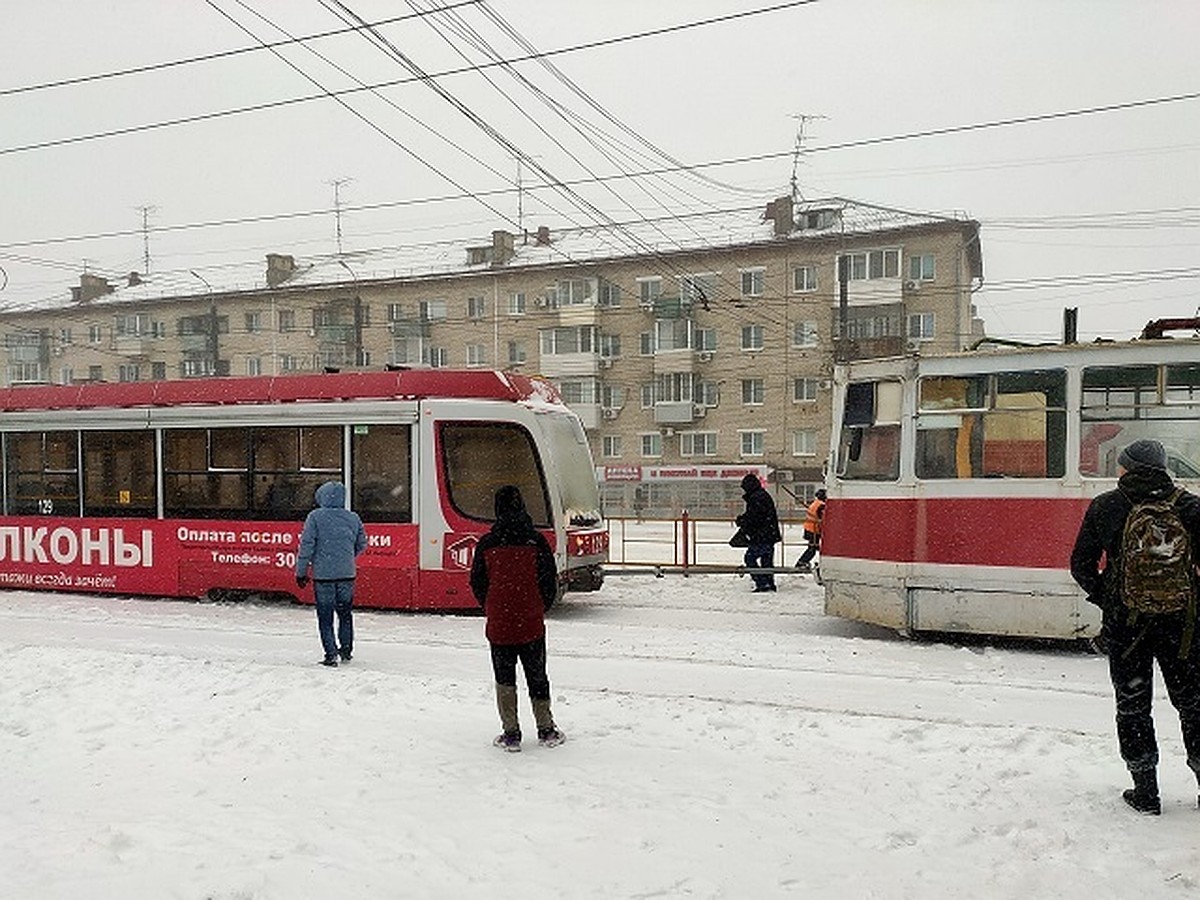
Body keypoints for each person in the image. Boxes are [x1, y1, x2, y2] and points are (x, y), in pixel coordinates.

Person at [1070, 439, 1200, 815]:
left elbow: (1081, 565)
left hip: (1127, 628)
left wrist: (1109, 600)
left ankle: (1145, 791)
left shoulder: (1107, 505)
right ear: (1163, 467)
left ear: (1125, 468)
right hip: (1184, 627)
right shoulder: (1190, 506)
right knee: (1193, 705)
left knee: (1133, 706)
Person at [470, 485, 565, 752]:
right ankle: (546, 729)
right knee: (537, 675)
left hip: (500, 623)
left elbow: (477, 581)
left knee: (504, 677)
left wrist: (490, 606)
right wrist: (538, 607)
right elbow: (549, 581)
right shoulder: (536, 541)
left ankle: (511, 734)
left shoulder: (487, 544)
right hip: (531, 622)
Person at [295, 481, 368, 667]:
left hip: (324, 576)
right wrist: (346, 557)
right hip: (347, 574)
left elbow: (306, 546)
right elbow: (362, 544)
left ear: (322, 497)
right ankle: (346, 651)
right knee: (345, 614)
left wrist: (301, 572)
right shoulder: (353, 517)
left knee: (325, 617)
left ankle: (330, 654)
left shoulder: (315, 517)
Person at [737, 473, 782, 593]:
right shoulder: (762, 495)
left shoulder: (756, 498)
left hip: (761, 536)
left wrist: (743, 521)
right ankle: (769, 583)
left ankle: (762, 583)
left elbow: (755, 518)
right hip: (769, 534)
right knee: (766, 561)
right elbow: (759, 515)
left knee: (750, 559)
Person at [795, 488, 827, 573]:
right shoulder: (821, 506)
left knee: (814, 548)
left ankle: (803, 562)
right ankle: (801, 563)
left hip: (809, 529)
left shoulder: (815, 503)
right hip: (814, 530)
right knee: (812, 549)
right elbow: (823, 519)